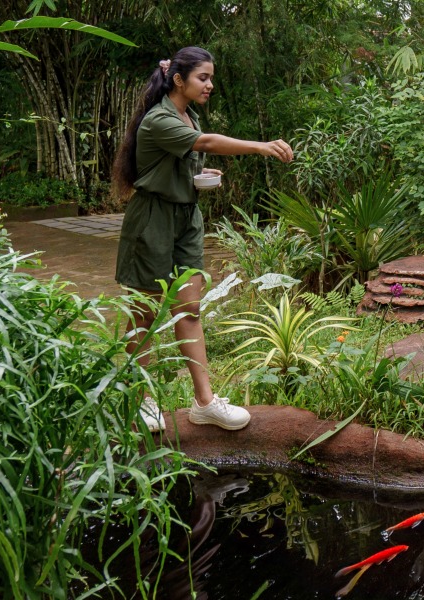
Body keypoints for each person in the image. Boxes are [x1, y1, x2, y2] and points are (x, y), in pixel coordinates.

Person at [111, 46, 295, 431]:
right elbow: (207, 142)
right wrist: (260, 147)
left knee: (189, 310)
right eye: (203, 77)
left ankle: (205, 403)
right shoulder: (158, 118)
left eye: (211, 77)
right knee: (143, 314)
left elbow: (188, 155)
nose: (210, 84)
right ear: (179, 79)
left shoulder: (186, 115)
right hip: (153, 219)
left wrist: (196, 174)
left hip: (185, 218)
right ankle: (139, 400)